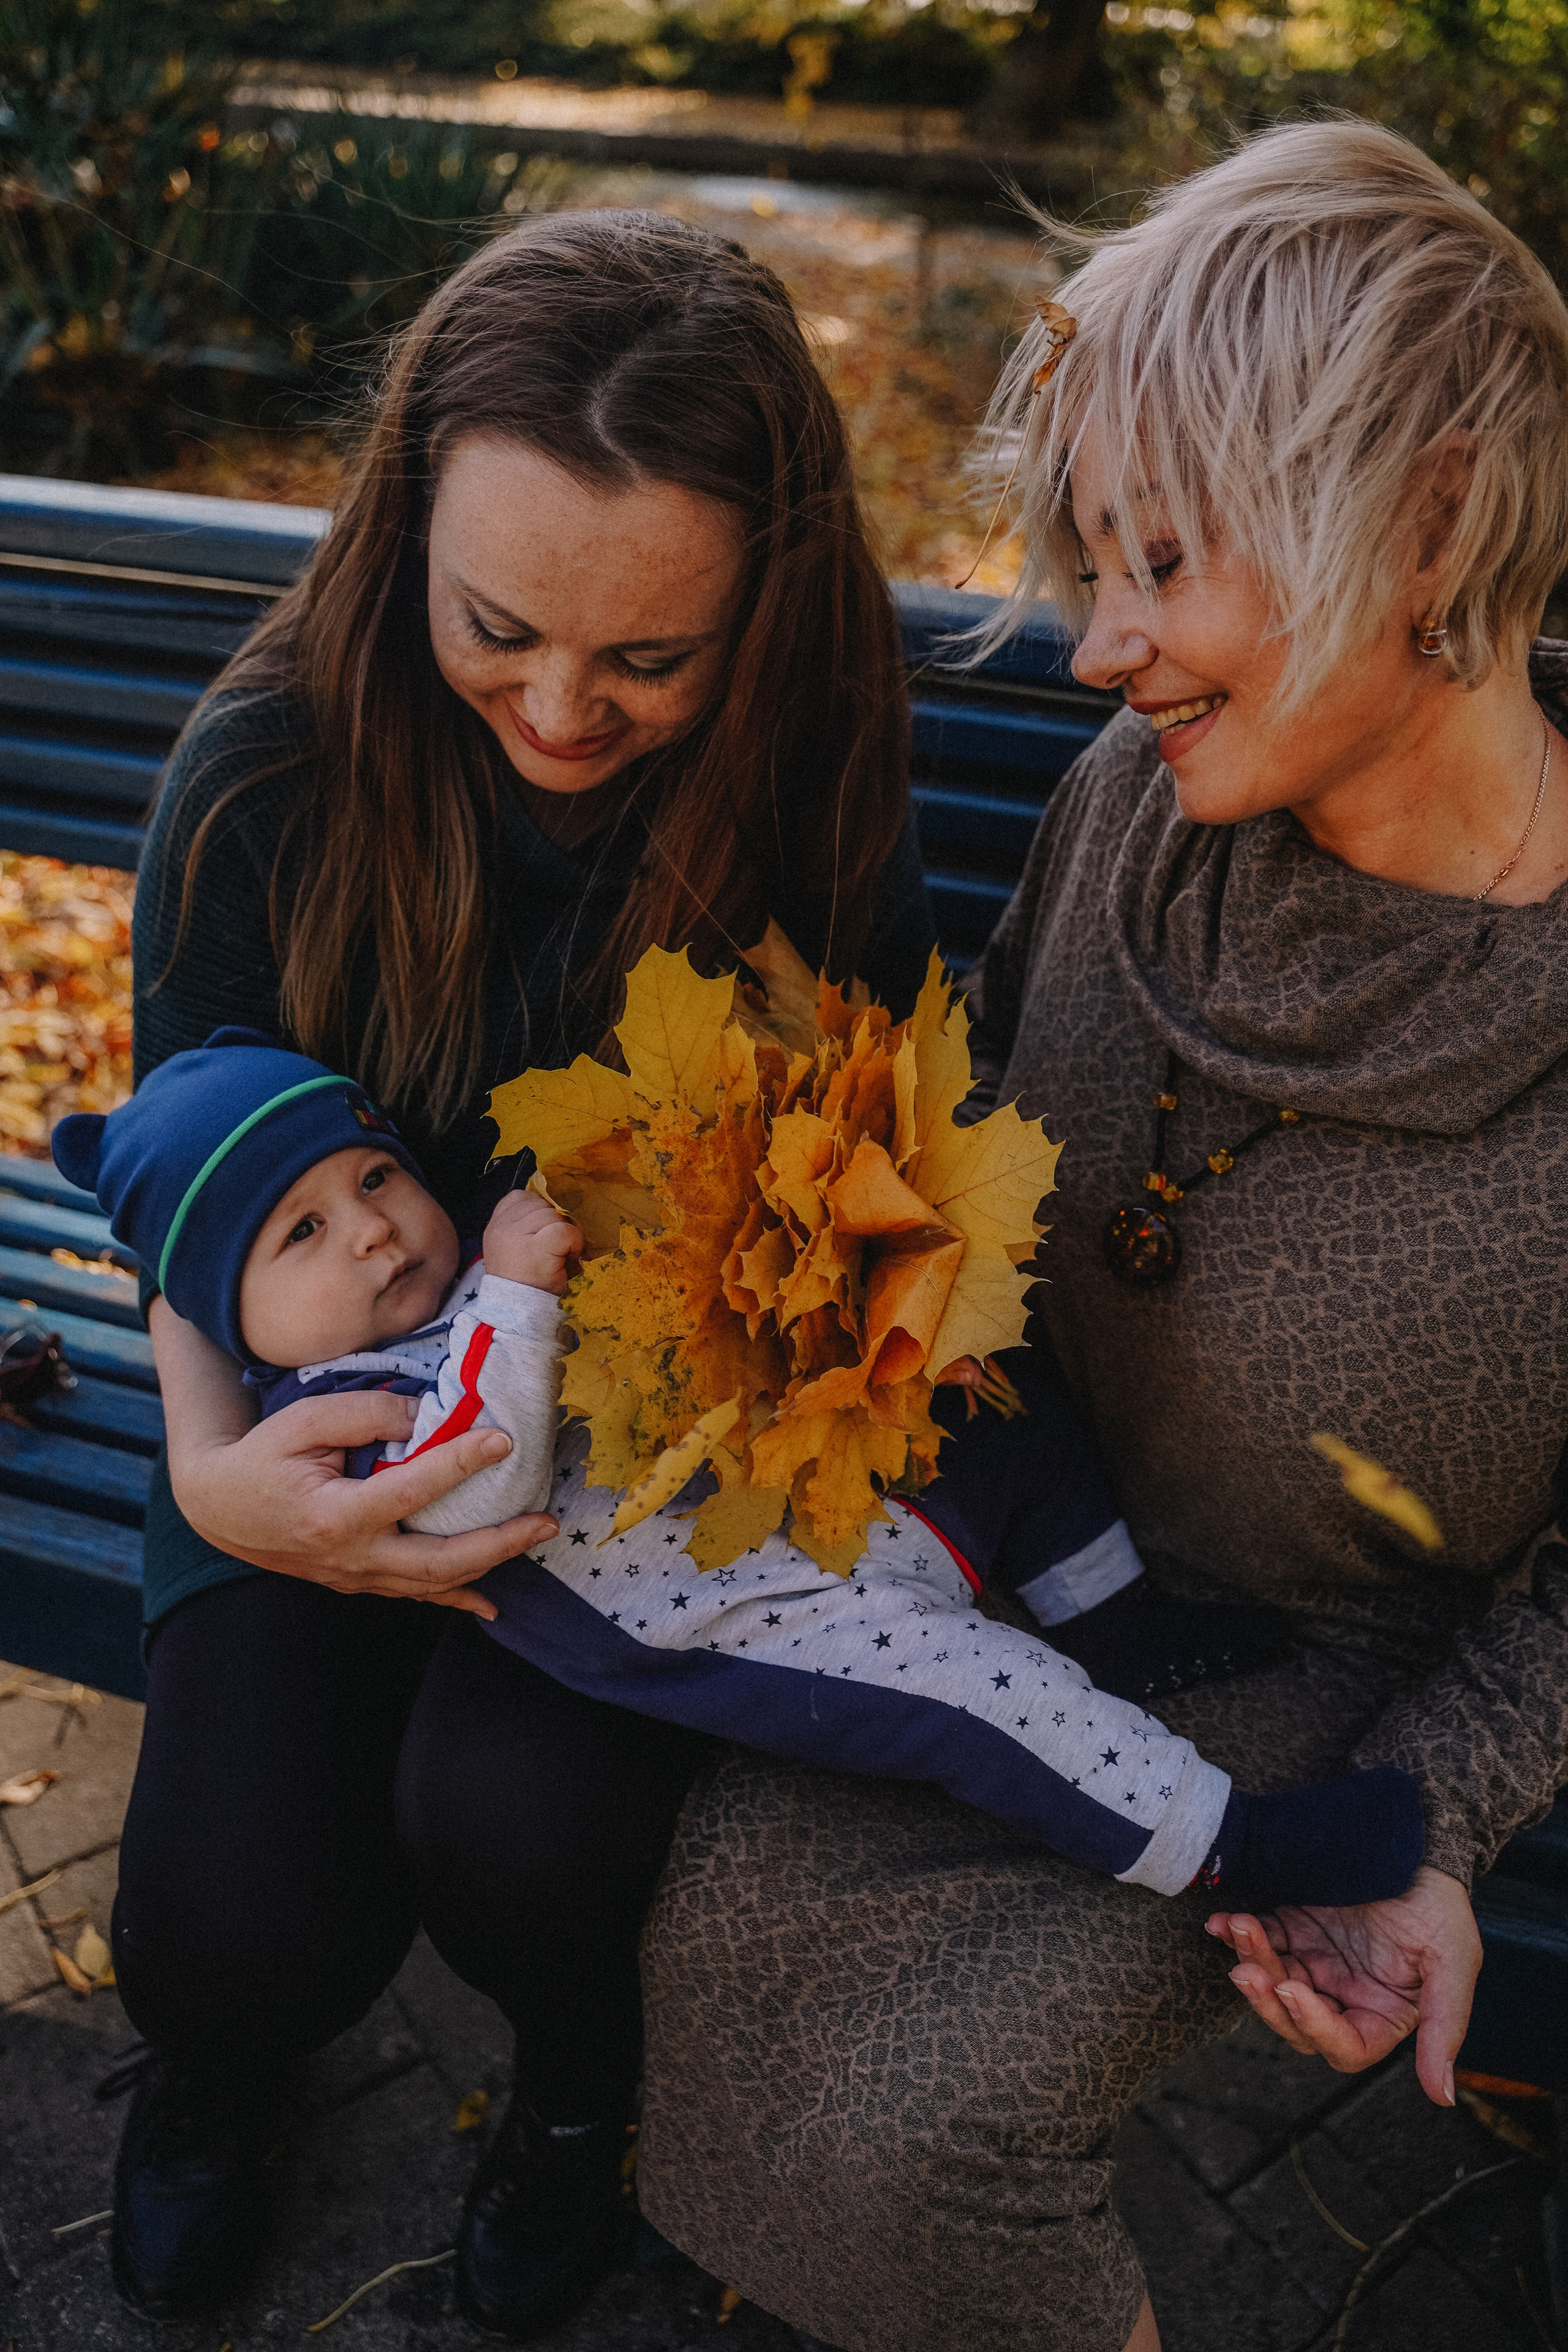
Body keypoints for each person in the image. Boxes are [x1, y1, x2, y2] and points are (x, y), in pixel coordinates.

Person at [620, 119, 1568, 2352]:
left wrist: (1427, 1824)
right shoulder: (1141, 800)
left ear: (1425, 515)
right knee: (709, 1930)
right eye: (1089, 561)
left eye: (1162, 558)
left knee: (932, 2127)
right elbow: (973, 1177)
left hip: (1330, 1687)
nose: (1094, 646)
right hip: (998, 1570)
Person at [114, 206, 932, 2335]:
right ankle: (215, 2075)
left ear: (761, 610)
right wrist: (216, 1485)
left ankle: (585, 2092)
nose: (563, 709)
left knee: (533, 1836)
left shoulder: (812, 787)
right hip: (303, 1425)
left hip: (625, 1474)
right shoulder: (267, 774)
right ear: (407, 548)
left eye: (650, 659)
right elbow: (182, 1209)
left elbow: (858, 1179)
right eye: (500, 629)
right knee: (228, 1926)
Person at [65, 1033, 1420, 1935]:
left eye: (371, 1177)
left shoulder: (467, 1288)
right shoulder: (330, 1420)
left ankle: (1108, 1608)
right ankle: (1227, 1844)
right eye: (301, 1232)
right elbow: (472, 1488)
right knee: (980, 1699)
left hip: (793, 1484)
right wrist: (518, 1301)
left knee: (993, 1406)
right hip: (755, 1613)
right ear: (229, 1319)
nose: (368, 1227)